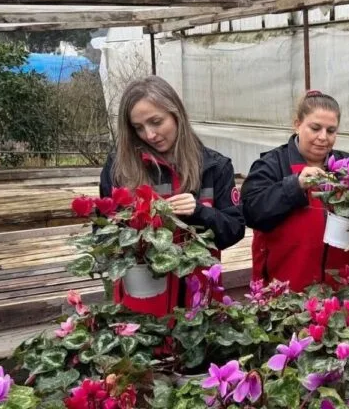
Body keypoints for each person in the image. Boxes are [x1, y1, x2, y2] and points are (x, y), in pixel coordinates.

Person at [99, 75, 246, 317]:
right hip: (139, 303)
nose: (149, 134)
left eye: (156, 122)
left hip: (198, 304)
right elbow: (102, 234)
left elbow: (234, 230)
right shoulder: (119, 168)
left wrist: (200, 212)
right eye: (138, 127)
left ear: (176, 113)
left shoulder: (214, 167)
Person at [242, 90, 349, 291]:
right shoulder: (271, 164)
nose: (323, 137)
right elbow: (251, 212)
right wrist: (295, 185)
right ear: (297, 124)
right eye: (315, 128)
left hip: (338, 289)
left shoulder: (347, 166)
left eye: (331, 131)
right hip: (284, 289)